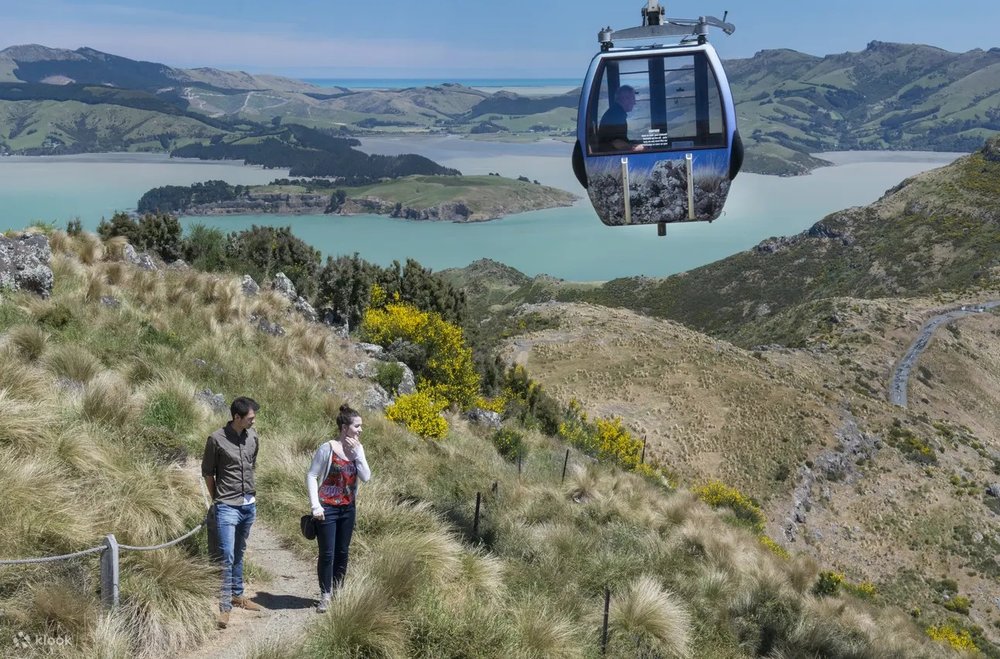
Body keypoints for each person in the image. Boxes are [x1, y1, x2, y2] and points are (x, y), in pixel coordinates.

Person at [202, 396, 263, 629]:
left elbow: (252, 465)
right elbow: (208, 473)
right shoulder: (216, 440)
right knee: (226, 556)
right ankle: (225, 606)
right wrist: (218, 499)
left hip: (249, 505)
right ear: (237, 417)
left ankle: (238, 594)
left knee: (239, 550)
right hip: (227, 505)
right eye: (250, 418)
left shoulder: (253, 438)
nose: (253, 422)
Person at [305, 403, 372, 613]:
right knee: (327, 553)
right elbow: (312, 475)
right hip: (327, 509)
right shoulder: (328, 448)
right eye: (357, 426)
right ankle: (325, 595)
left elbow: (366, 477)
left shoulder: (358, 450)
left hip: (348, 509)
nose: (360, 430)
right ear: (344, 428)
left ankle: (338, 591)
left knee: (343, 552)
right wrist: (316, 505)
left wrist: (358, 454)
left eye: (360, 426)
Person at [597, 85, 645, 152]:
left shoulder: (616, 112)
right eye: (633, 98)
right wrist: (634, 148)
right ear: (625, 98)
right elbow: (615, 142)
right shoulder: (616, 115)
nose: (634, 102)